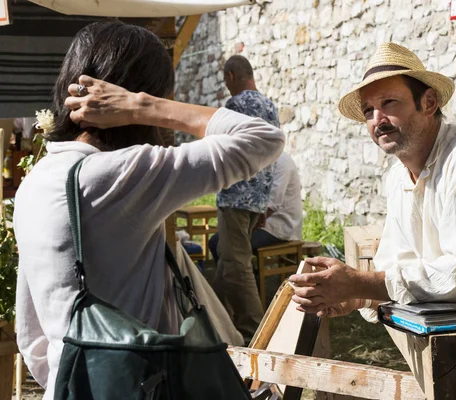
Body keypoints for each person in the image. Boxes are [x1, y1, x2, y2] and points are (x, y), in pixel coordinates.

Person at [14, 21, 284, 399]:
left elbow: (31, 336)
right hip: (142, 386)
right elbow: (263, 137)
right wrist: (144, 106)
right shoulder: (122, 173)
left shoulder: (34, 182)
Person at [289, 43, 456, 321]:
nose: (377, 120)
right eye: (368, 110)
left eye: (389, 103)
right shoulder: (397, 176)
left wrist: (357, 283)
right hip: (450, 315)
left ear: (429, 103)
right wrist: (355, 297)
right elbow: (397, 262)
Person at [211, 55, 280, 343]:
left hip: (236, 196)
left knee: (237, 266)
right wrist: (264, 202)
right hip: (257, 198)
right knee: (228, 262)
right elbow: (275, 154)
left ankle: (256, 334)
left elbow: (218, 150)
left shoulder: (234, 106)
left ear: (230, 76)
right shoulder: (269, 105)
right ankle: (212, 319)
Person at [208, 150, 303, 260]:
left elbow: (272, 204)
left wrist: (250, 224)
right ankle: (236, 274)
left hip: (279, 227)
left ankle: (246, 275)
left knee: (232, 246)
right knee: (216, 242)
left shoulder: (282, 162)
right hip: (262, 222)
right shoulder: (264, 158)